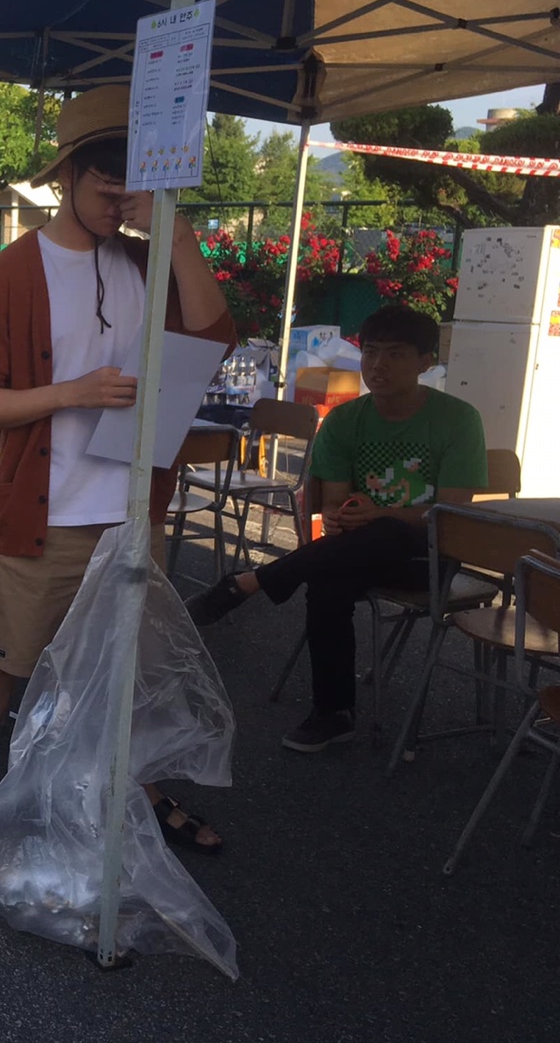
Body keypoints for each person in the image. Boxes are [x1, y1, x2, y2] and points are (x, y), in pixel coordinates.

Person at [0, 85, 237, 873]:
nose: (118, 202)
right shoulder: (11, 273)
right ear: (66, 176)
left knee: (127, 672)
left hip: (134, 513)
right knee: (7, 659)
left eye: (134, 186)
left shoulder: (145, 259)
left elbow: (215, 336)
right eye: (106, 184)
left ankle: (136, 788)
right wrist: (70, 392)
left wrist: (175, 232)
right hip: (48, 515)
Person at [186, 305, 488, 751]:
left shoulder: (457, 419)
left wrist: (379, 514)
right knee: (328, 583)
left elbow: (452, 512)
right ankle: (334, 712)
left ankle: (250, 583)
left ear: (425, 362)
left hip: (428, 558)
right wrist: (339, 515)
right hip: (357, 550)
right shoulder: (346, 421)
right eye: (371, 352)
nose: (378, 365)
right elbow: (334, 504)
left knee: (384, 532)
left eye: (396, 354)